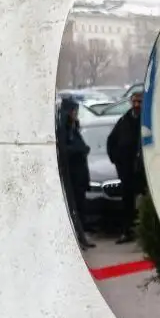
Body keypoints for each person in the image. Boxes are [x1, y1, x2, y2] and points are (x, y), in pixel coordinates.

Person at [105, 91, 146, 244]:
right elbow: (111, 141)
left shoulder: (146, 120)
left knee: (145, 203)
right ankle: (127, 232)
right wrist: (117, 161)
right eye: (134, 101)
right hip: (127, 172)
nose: (137, 105)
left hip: (144, 172)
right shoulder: (124, 121)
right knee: (127, 203)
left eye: (139, 102)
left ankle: (146, 234)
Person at [55, 96, 95, 249]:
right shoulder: (63, 130)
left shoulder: (73, 128)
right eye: (74, 111)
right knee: (74, 209)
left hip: (80, 176)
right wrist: (80, 149)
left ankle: (82, 237)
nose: (75, 114)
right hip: (71, 177)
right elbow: (64, 150)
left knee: (81, 207)